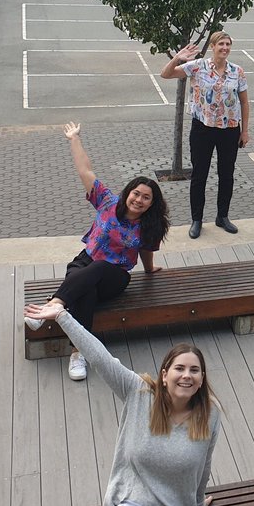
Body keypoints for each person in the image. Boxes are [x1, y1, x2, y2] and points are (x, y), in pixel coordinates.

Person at [22, 301, 219, 506]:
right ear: (164, 375)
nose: (186, 375)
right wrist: (61, 316)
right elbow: (100, 358)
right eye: (179, 368)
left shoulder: (209, 414)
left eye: (194, 370)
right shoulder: (137, 393)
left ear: (202, 379)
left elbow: (203, 466)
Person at [25, 122, 170, 382]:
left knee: (102, 268)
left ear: (152, 203)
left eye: (146, 197)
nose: (139, 199)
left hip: (115, 278)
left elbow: (147, 251)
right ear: (128, 193)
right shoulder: (107, 202)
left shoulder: (150, 226)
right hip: (84, 264)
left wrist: (149, 270)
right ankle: (77, 353)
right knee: (86, 291)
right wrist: (74, 138)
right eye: (136, 193)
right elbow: (85, 169)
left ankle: (54, 304)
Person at [161, 32, 249, 239]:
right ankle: (197, 220)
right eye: (221, 44)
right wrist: (177, 58)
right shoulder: (198, 66)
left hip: (229, 129)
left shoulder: (237, 71)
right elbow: (166, 74)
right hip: (203, 129)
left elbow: (244, 102)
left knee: (226, 175)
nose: (225, 48)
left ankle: (222, 216)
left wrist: (244, 130)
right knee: (199, 175)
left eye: (228, 44)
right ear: (212, 46)